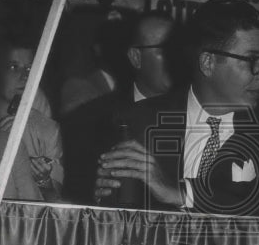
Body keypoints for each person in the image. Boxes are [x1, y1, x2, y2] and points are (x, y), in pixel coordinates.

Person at [95, 0, 259, 217]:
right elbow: (117, 216)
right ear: (207, 63)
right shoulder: (140, 120)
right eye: (253, 61)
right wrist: (106, 198)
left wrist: (181, 193)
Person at [61, 11, 177, 204]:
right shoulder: (89, 119)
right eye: (164, 49)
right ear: (136, 57)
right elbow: (71, 196)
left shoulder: (207, 119)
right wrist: (94, 193)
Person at [0, 31, 64, 202]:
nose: (25, 76)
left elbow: (55, 202)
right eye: (13, 67)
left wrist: (44, 181)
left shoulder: (47, 130)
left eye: (29, 69)